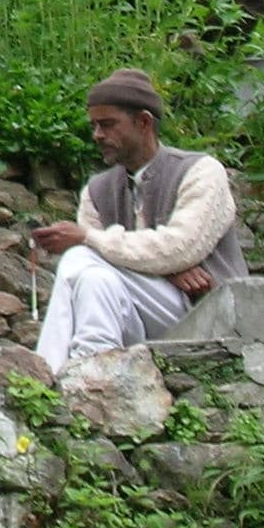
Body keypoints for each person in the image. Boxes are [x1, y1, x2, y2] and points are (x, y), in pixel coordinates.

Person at [28, 68, 248, 371]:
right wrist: (166, 271)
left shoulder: (201, 171)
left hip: (206, 313)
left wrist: (89, 238)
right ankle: (92, 367)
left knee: (81, 254)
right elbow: (132, 260)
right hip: (137, 312)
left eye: (107, 124)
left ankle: (46, 373)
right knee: (92, 277)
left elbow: (181, 247)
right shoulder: (97, 190)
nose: (97, 135)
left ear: (144, 122)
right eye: (94, 125)